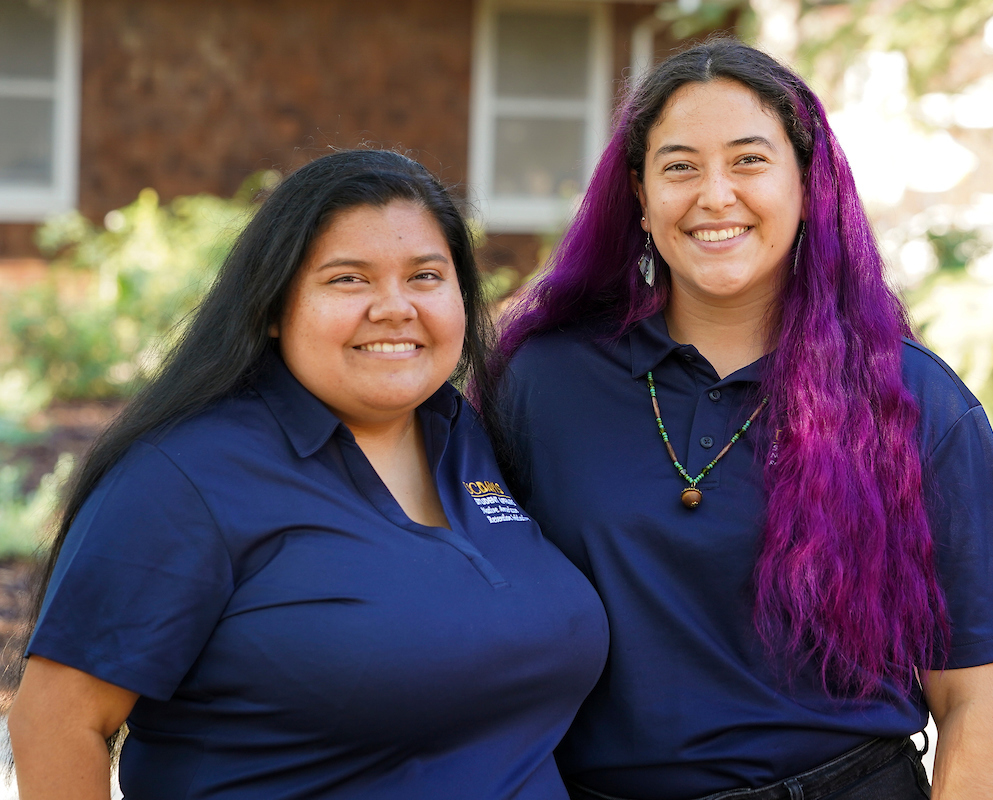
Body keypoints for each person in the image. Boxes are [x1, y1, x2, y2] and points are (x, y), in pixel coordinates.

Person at [483, 40, 993, 800]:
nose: (715, 195)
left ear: (809, 184)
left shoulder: (912, 400)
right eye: (680, 166)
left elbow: (976, 699)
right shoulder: (541, 383)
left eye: (749, 161)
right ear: (640, 197)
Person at [9, 149, 609, 800]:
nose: (395, 307)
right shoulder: (186, 479)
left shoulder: (471, 441)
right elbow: (56, 722)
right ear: (273, 307)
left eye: (426, 277)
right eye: (349, 279)